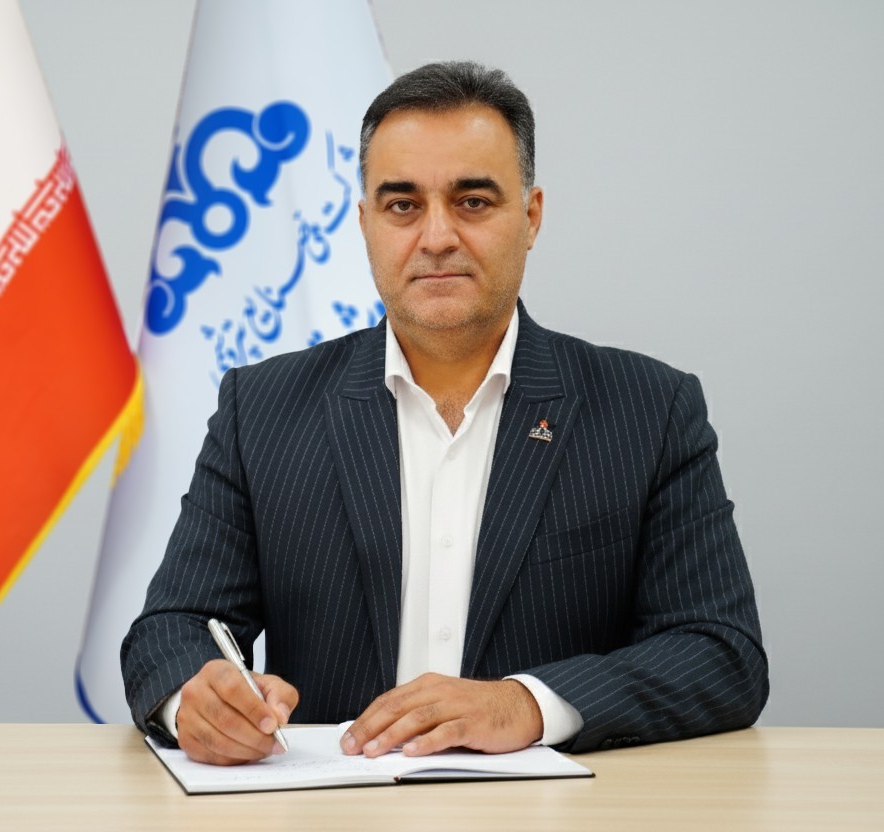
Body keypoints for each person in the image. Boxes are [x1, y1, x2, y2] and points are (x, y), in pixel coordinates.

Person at [121, 61, 768, 766]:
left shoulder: (650, 409)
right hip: (329, 807)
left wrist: (526, 704)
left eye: (473, 202)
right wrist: (197, 702)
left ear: (531, 216)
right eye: (402, 205)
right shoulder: (263, 409)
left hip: (557, 810)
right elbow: (171, 628)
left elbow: (721, 652)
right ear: (364, 223)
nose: (436, 237)